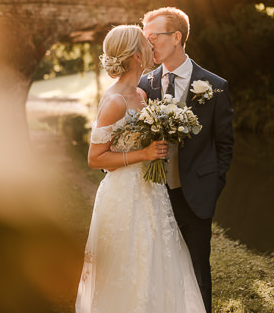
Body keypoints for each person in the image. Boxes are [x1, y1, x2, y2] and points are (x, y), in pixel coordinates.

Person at [75, 25, 206, 313]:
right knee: (128, 265)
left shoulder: (140, 95)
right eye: (147, 44)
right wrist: (143, 153)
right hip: (122, 196)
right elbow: (95, 159)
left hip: (151, 192)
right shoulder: (114, 101)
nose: (152, 47)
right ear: (136, 55)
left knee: (156, 260)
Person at [138, 7, 235, 313]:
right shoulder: (144, 85)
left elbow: (225, 144)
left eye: (154, 36)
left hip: (196, 195)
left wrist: (212, 185)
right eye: (145, 37)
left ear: (176, 37)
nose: (148, 43)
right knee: (156, 268)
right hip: (152, 194)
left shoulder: (215, 86)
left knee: (197, 271)